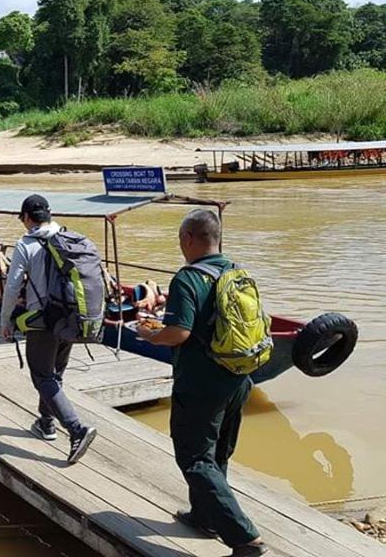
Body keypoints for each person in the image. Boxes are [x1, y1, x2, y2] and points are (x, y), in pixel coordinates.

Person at [136, 209, 266, 557]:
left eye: (181, 240)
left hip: (201, 383)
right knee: (217, 453)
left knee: (195, 458)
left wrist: (149, 336)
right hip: (238, 378)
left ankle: (245, 539)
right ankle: (206, 516)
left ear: (189, 239)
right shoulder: (238, 271)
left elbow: (179, 332)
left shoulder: (187, 279)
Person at [0, 194, 97, 464]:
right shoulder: (69, 238)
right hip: (71, 318)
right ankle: (46, 422)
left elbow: (12, 286)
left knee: (42, 375)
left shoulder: (26, 244)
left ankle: (77, 429)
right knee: (55, 373)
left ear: (28, 218)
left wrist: (5, 320)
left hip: (43, 321)